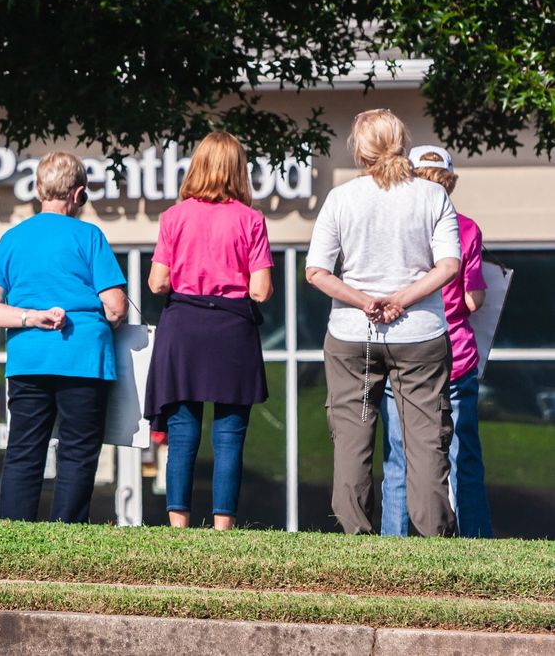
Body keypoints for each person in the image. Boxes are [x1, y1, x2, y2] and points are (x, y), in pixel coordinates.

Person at [306, 110, 461, 537]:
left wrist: (365, 301)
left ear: (360, 150)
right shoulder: (433, 197)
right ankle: (435, 541)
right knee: (427, 439)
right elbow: (450, 264)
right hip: (421, 336)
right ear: (402, 143)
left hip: (354, 337)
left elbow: (316, 271)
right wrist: (402, 299)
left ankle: (358, 538)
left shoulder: (342, 197)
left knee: (353, 438)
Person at [0, 151, 127, 523]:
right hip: (85, 361)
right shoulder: (90, 236)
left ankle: (14, 533)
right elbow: (117, 307)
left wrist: (30, 317)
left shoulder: (13, 238)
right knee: (77, 451)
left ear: (39, 189)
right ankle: (68, 534)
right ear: (79, 193)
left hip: (29, 361)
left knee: (24, 450)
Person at [143, 131, 272, 531]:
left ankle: (179, 525)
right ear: (238, 170)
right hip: (232, 330)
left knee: (182, 432)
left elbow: (157, 283)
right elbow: (260, 291)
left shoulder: (173, 217)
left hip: (183, 328)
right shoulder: (251, 220)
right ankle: (222, 528)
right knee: (229, 435)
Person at [379, 146, 492, 537]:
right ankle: (475, 539)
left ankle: (393, 545)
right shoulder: (466, 229)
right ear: (450, 182)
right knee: (463, 457)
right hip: (455, 357)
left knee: (399, 456)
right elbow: (472, 300)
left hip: (404, 353)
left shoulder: (395, 225)